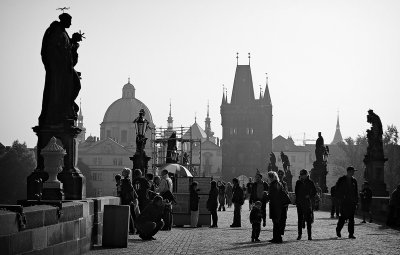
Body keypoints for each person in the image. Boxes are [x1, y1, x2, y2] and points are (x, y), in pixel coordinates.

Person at [40, 13, 82, 125]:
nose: (71, 23)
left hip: (64, 69)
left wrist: (74, 41)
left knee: (75, 86)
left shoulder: (63, 32)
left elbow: (67, 50)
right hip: (58, 70)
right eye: (69, 21)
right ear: (64, 20)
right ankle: (63, 109)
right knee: (61, 90)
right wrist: (60, 67)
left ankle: (67, 107)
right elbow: (53, 51)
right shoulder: (56, 31)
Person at [335, 166, 358, 239]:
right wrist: (340, 198)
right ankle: (338, 230)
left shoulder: (354, 180)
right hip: (344, 202)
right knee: (343, 217)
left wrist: (356, 201)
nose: (353, 172)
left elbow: (356, 192)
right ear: (349, 171)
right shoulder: (341, 179)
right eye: (352, 171)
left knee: (351, 218)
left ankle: (351, 234)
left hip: (352, 201)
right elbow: (337, 189)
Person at [295, 169, 317, 240]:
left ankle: (309, 235)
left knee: (308, 220)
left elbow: (314, 191)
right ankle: (299, 234)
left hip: (307, 202)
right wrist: (297, 200)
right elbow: (296, 192)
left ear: (306, 175)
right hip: (300, 203)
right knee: (300, 219)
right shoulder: (298, 182)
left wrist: (309, 196)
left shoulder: (310, 182)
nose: (302, 176)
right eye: (301, 175)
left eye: (303, 175)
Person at [266, 171, 285, 243]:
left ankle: (277, 238)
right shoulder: (279, 183)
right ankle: (277, 237)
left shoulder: (272, 185)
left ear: (271, 177)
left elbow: (272, 196)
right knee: (277, 222)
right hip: (279, 205)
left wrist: (266, 196)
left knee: (275, 222)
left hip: (274, 205)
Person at [120, 168, 139, 234]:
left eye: (123, 171)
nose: (122, 172)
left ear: (126, 173)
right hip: (129, 199)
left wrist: (130, 199)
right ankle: (132, 229)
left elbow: (129, 190)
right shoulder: (127, 180)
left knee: (129, 214)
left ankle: (132, 229)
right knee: (130, 214)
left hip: (127, 199)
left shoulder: (126, 180)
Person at [278, 170, 289, 236]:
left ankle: (281, 231)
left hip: (284, 203)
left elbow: (286, 192)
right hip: (278, 203)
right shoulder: (276, 183)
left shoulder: (285, 183)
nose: (280, 176)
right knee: (278, 218)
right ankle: (278, 232)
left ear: (283, 176)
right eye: (279, 174)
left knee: (283, 218)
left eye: (281, 174)